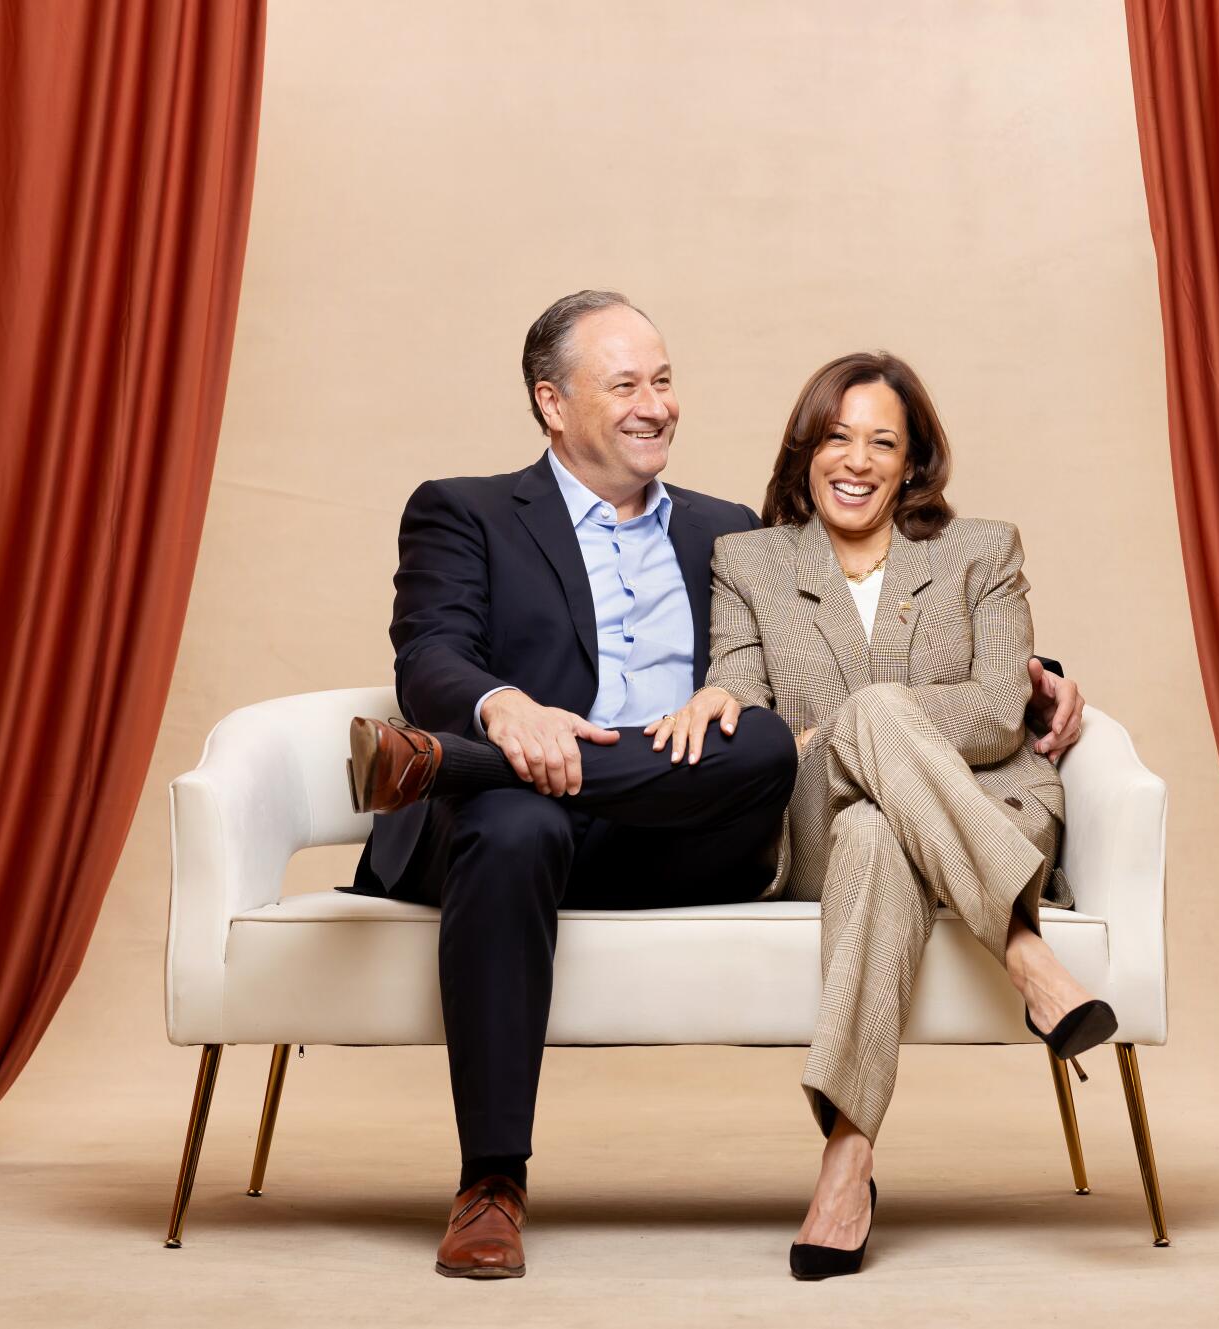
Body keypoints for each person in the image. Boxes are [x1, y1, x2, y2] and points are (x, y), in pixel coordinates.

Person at [345, 294, 1086, 1279]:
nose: (655, 405)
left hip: (682, 824)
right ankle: (490, 1183)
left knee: (763, 745)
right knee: (515, 822)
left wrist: (1034, 677)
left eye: (661, 380)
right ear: (551, 403)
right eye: (624, 384)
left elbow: (831, 647)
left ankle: (438, 765)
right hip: (523, 816)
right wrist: (499, 712)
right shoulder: (464, 509)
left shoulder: (722, 534)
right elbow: (430, 654)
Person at [647, 351, 1110, 1279]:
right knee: (857, 788)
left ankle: (847, 1162)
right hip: (810, 820)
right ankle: (1026, 954)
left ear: (913, 462)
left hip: (986, 806)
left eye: (882, 442)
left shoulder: (983, 549)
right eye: (836, 436)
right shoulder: (748, 562)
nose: (855, 460)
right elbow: (745, 699)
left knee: (874, 824)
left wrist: (854, 720)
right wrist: (831, 725)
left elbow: (992, 712)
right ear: (807, 450)